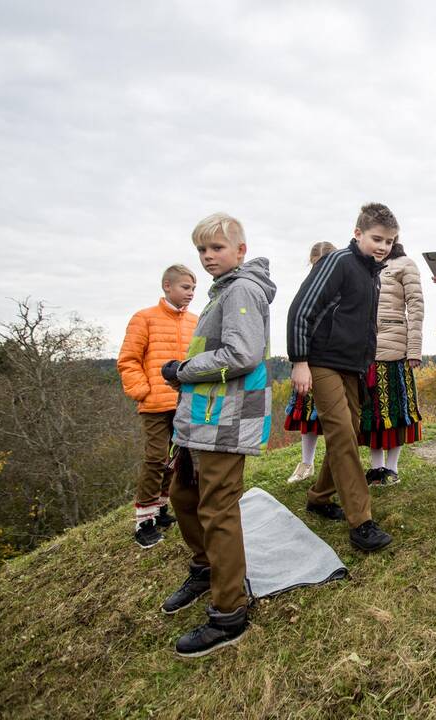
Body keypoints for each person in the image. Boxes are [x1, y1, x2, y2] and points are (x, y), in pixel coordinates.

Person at [158, 213, 276, 657]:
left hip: (224, 421)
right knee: (184, 496)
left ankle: (229, 613)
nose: (208, 257)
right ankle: (206, 567)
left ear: (240, 250)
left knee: (218, 509)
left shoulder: (243, 289)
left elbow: (242, 354)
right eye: (202, 250)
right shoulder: (223, 290)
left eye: (217, 248)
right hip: (201, 418)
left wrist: (181, 370)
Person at [287, 203, 396, 552]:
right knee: (342, 434)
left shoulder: (371, 273)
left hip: (351, 366)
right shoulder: (338, 262)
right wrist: (300, 360)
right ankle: (361, 523)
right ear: (358, 233)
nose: (383, 246)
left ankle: (319, 498)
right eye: (377, 239)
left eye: (390, 241)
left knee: (348, 431)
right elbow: (301, 309)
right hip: (321, 361)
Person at [117, 265, 199, 548]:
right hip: (154, 404)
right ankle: (144, 520)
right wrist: (143, 390)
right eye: (185, 287)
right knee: (155, 458)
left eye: (193, 289)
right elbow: (128, 359)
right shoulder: (144, 318)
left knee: (177, 460)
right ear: (167, 286)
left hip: (185, 403)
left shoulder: (195, 322)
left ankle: (163, 508)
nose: (190, 294)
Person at [361, 239, 425, 487]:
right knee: (371, 411)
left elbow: (416, 307)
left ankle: (392, 467)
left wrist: (414, 350)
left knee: (395, 411)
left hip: (396, 349)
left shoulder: (405, 265)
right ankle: (376, 468)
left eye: (386, 239)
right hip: (366, 350)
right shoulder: (364, 265)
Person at [283, 241, 337, 483]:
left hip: (336, 359)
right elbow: (298, 322)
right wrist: (300, 361)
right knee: (308, 414)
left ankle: (333, 466)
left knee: (336, 417)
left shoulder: (341, 287)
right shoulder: (307, 289)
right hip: (310, 359)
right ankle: (306, 463)